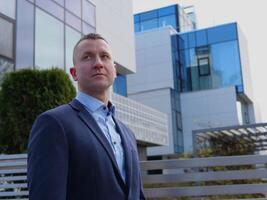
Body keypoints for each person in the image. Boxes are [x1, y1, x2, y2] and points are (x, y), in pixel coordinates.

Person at [27, 33, 146, 200]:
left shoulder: (128, 134)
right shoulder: (53, 124)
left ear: (114, 70)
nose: (98, 63)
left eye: (104, 57)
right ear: (74, 73)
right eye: (87, 57)